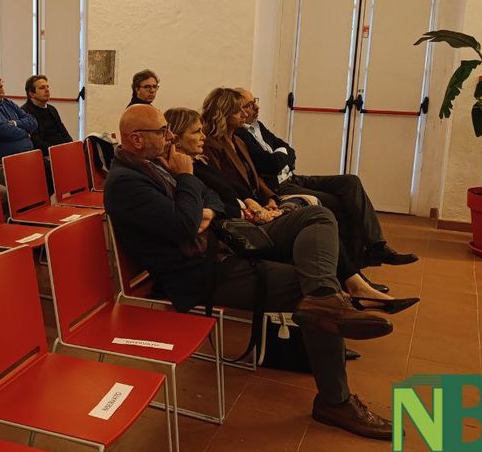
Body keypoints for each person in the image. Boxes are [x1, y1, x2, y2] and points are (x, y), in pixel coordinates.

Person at [105, 104, 395, 440]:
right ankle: (335, 400)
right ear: (136, 139)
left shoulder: (155, 162)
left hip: (226, 245)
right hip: (201, 274)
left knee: (317, 217)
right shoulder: (126, 182)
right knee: (313, 292)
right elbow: (184, 224)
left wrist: (203, 210)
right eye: (162, 131)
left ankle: (325, 297)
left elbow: (213, 197)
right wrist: (186, 178)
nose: (170, 137)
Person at [165, 106, 418, 315]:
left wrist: (253, 203)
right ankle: (349, 290)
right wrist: (247, 209)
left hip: (249, 212)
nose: (249, 111)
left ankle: (355, 283)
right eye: (196, 132)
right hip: (237, 230)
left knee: (326, 213)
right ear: (175, 136)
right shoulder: (187, 166)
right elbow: (251, 175)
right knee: (318, 218)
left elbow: (234, 186)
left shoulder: (203, 159)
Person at [235, 88, 418, 268]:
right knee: (337, 202)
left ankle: (377, 246)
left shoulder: (258, 126)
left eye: (255, 101)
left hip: (293, 178)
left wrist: (282, 154)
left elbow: (289, 150)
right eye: (249, 105)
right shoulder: (240, 134)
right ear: (238, 109)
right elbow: (270, 164)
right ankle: (353, 265)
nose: (256, 107)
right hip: (279, 186)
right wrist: (282, 155)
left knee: (350, 182)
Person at [21, 75, 72, 155]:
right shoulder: (25, 112)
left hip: (61, 150)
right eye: (42, 88)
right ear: (31, 94)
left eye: (47, 87)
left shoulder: (52, 109)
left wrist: (70, 146)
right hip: (45, 154)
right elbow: (36, 142)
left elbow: (64, 133)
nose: (47, 90)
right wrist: (57, 151)